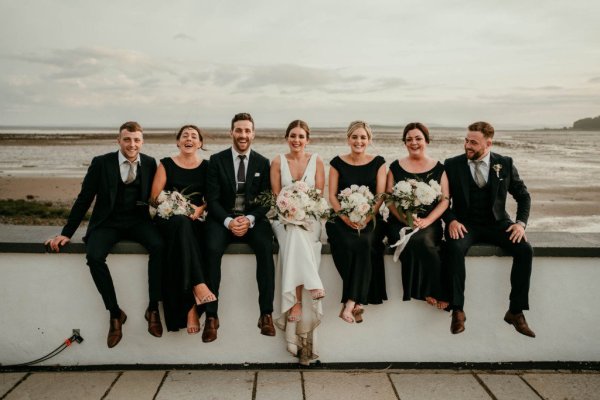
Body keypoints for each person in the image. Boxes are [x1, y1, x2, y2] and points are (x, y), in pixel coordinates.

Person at [45, 121, 164, 348]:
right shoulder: (101, 163)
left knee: (159, 246)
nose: (132, 144)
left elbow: (155, 196)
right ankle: (115, 313)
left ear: (142, 141)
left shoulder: (149, 163)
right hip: (108, 222)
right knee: (94, 257)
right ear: (118, 140)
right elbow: (84, 198)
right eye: (127, 139)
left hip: (139, 222)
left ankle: (153, 308)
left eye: (136, 140)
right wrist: (66, 233)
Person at [443, 121, 535, 337]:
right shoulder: (452, 164)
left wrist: (520, 224)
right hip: (465, 224)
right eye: (466, 140)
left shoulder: (504, 163)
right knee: (453, 249)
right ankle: (457, 310)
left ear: (488, 143)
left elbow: (523, 196)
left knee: (525, 250)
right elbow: (443, 201)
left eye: (473, 142)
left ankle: (516, 311)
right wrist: (451, 220)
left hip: (498, 223)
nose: (467, 146)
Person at [203, 112, 275, 343]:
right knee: (211, 250)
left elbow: (267, 200)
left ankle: (266, 314)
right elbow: (211, 199)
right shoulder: (216, 160)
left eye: (247, 131)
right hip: (222, 219)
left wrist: (250, 219)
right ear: (231, 132)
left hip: (253, 221)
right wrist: (229, 221)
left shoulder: (263, 163)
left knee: (265, 249)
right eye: (239, 130)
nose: (243, 135)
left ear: (253, 134)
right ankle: (211, 317)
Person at [150, 125, 216, 335]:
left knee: (187, 230)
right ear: (178, 142)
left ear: (200, 143)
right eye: (185, 136)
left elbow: (212, 199)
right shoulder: (166, 164)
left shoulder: (207, 167)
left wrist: (201, 208)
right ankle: (198, 284)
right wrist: (174, 205)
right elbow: (154, 198)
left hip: (196, 221)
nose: (189, 139)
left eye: (194, 136)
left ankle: (190, 308)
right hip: (169, 221)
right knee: (180, 222)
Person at [270, 120, 326, 365]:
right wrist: (291, 213)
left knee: (299, 234)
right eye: (293, 136)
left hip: (311, 221)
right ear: (287, 138)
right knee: (293, 232)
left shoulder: (318, 161)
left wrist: (303, 213)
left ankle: (293, 303)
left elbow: (318, 197)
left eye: (301, 136)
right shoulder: (277, 162)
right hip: (283, 219)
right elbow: (275, 198)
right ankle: (311, 285)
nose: (297, 140)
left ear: (308, 139)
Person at [326, 120, 387, 324]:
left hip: (371, 219)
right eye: (355, 137)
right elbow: (332, 196)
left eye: (363, 137)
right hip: (340, 218)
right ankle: (357, 301)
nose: (358, 141)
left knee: (364, 242)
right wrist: (344, 216)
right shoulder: (336, 162)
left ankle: (351, 302)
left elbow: (380, 196)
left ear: (369, 140)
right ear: (348, 139)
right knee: (344, 243)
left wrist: (367, 216)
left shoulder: (379, 162)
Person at [386, 122, 450, 308]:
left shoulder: (439, 168)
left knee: (423, 240)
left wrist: (427, 220)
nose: (414, 143)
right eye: (409, 139)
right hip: (399, 221)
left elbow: (445, 200)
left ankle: (433, 290)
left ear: (426, 140)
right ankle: (425, 291)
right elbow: (389, 199)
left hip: (429, 223)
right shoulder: (395, 167)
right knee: (410, 239)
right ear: (404, 143)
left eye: (418, 138)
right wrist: (404, 218)